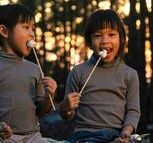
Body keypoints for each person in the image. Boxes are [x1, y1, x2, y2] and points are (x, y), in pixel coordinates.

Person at [0, 4, 57, 143]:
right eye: (25, 27)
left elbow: (40, 111)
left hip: (32, 138)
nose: (32, 33)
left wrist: (49, 96)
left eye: (32, 28)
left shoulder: (34, 69)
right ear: (4, 31)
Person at [60, 9, 141, 143]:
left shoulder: (130, 74)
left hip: (117, 135)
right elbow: (66, 115)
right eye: (98, 35)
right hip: (85, 136)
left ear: (121, 39)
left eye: (111, 34)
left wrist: (126, 133)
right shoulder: (78, 72)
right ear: (89, 42)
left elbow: (133, 111)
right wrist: (66, 108)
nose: (104, 41)